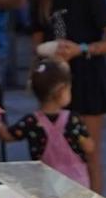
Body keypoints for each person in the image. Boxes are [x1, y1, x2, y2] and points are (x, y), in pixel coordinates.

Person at [31, 0, 106, 193]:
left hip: (88, 79)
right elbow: (37, 42)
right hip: (54, 83)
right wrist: (48, 54)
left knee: (89, 152)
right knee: (54, 153)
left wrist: (82, 49)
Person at [9, 57, 93, 186]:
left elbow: (8, 136)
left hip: (45, 184)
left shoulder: (31, 121)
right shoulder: (73, 119)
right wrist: (82, 139)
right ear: (61, 92)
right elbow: (89, 147)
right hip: (77, 183)